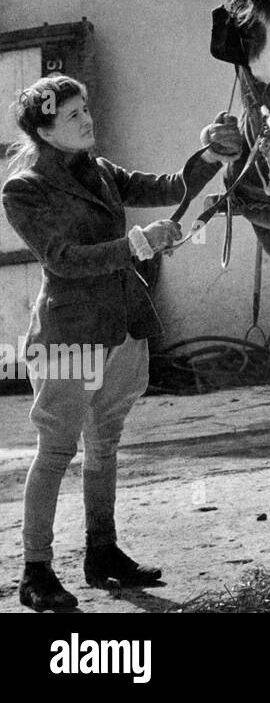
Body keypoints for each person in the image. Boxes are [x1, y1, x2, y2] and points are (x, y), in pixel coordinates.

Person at [1, 75, 242, 611]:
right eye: (72, 116)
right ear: (44, 130)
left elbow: (167, 186)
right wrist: (137, 243)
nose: (87, 119)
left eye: (85, 108)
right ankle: (36, 572)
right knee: (56, 452)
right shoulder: (24, 189)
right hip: (68, 339)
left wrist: (210, 154)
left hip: (122, 329)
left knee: (104, 446)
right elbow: (62, 258)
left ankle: (102, 553)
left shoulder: (101, 170)